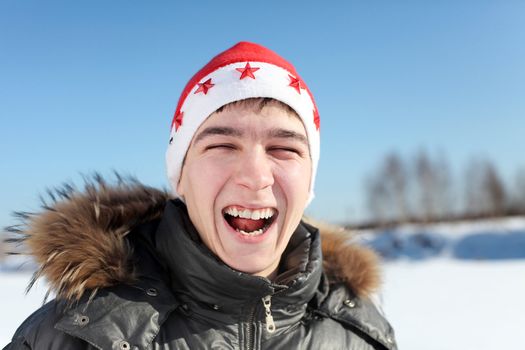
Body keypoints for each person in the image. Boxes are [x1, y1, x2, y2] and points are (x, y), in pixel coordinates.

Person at [3, 42, 397, 350]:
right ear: (180, 176)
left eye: (284, 149)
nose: (256, 177)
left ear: (309, 181)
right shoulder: (72, 338)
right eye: (222, 146)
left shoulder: (362, 333)